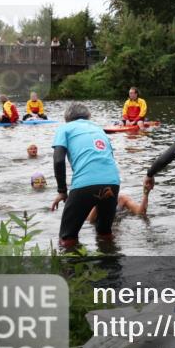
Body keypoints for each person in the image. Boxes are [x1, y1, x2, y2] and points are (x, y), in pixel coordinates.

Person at [50, 103, 121, 247]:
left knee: (67, 237)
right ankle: (111, 265)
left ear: (67, 118)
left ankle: (71, 267)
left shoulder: (65, 128)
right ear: (88, 116)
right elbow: (110, 157)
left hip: (85, 183)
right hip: (112, 181)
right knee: (104, 232)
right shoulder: (98, 129)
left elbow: (58, 160)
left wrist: (62, 191)